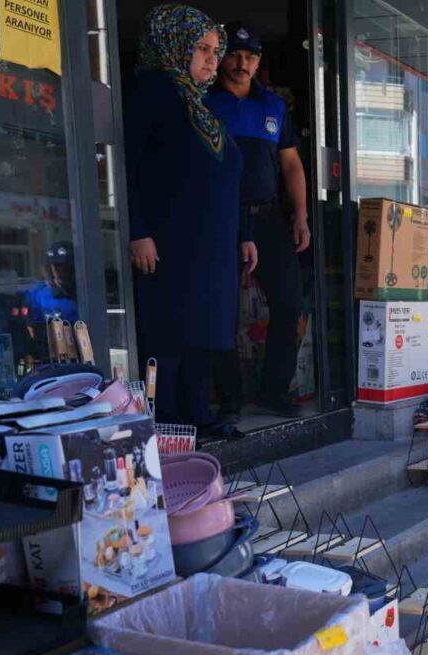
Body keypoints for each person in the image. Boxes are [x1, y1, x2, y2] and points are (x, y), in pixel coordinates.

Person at [125, 4, 255, 438]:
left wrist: (244, 235)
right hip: (171, 238)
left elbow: (227, 178)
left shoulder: (199, 104)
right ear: (175, 46)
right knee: (171, 332)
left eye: (215, 51)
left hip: (212, 244)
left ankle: (199, 415)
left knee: (204, 332)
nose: (211, 59)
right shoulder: (156, 92)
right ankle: (166, 420)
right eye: (202, 48)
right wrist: (138, 229)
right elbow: (131, 166)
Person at [205, 23, 309, 418]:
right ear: (220, 58)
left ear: (258, 61)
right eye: (233, 55)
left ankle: (273, 391)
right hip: (220, 219)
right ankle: (229, 396)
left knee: (289, 304)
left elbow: (292, 165)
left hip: (267, 218)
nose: (241, 64)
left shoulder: (272, 106)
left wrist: (300, 216)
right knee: (221, 310)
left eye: (250, 57)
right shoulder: (204, 102)